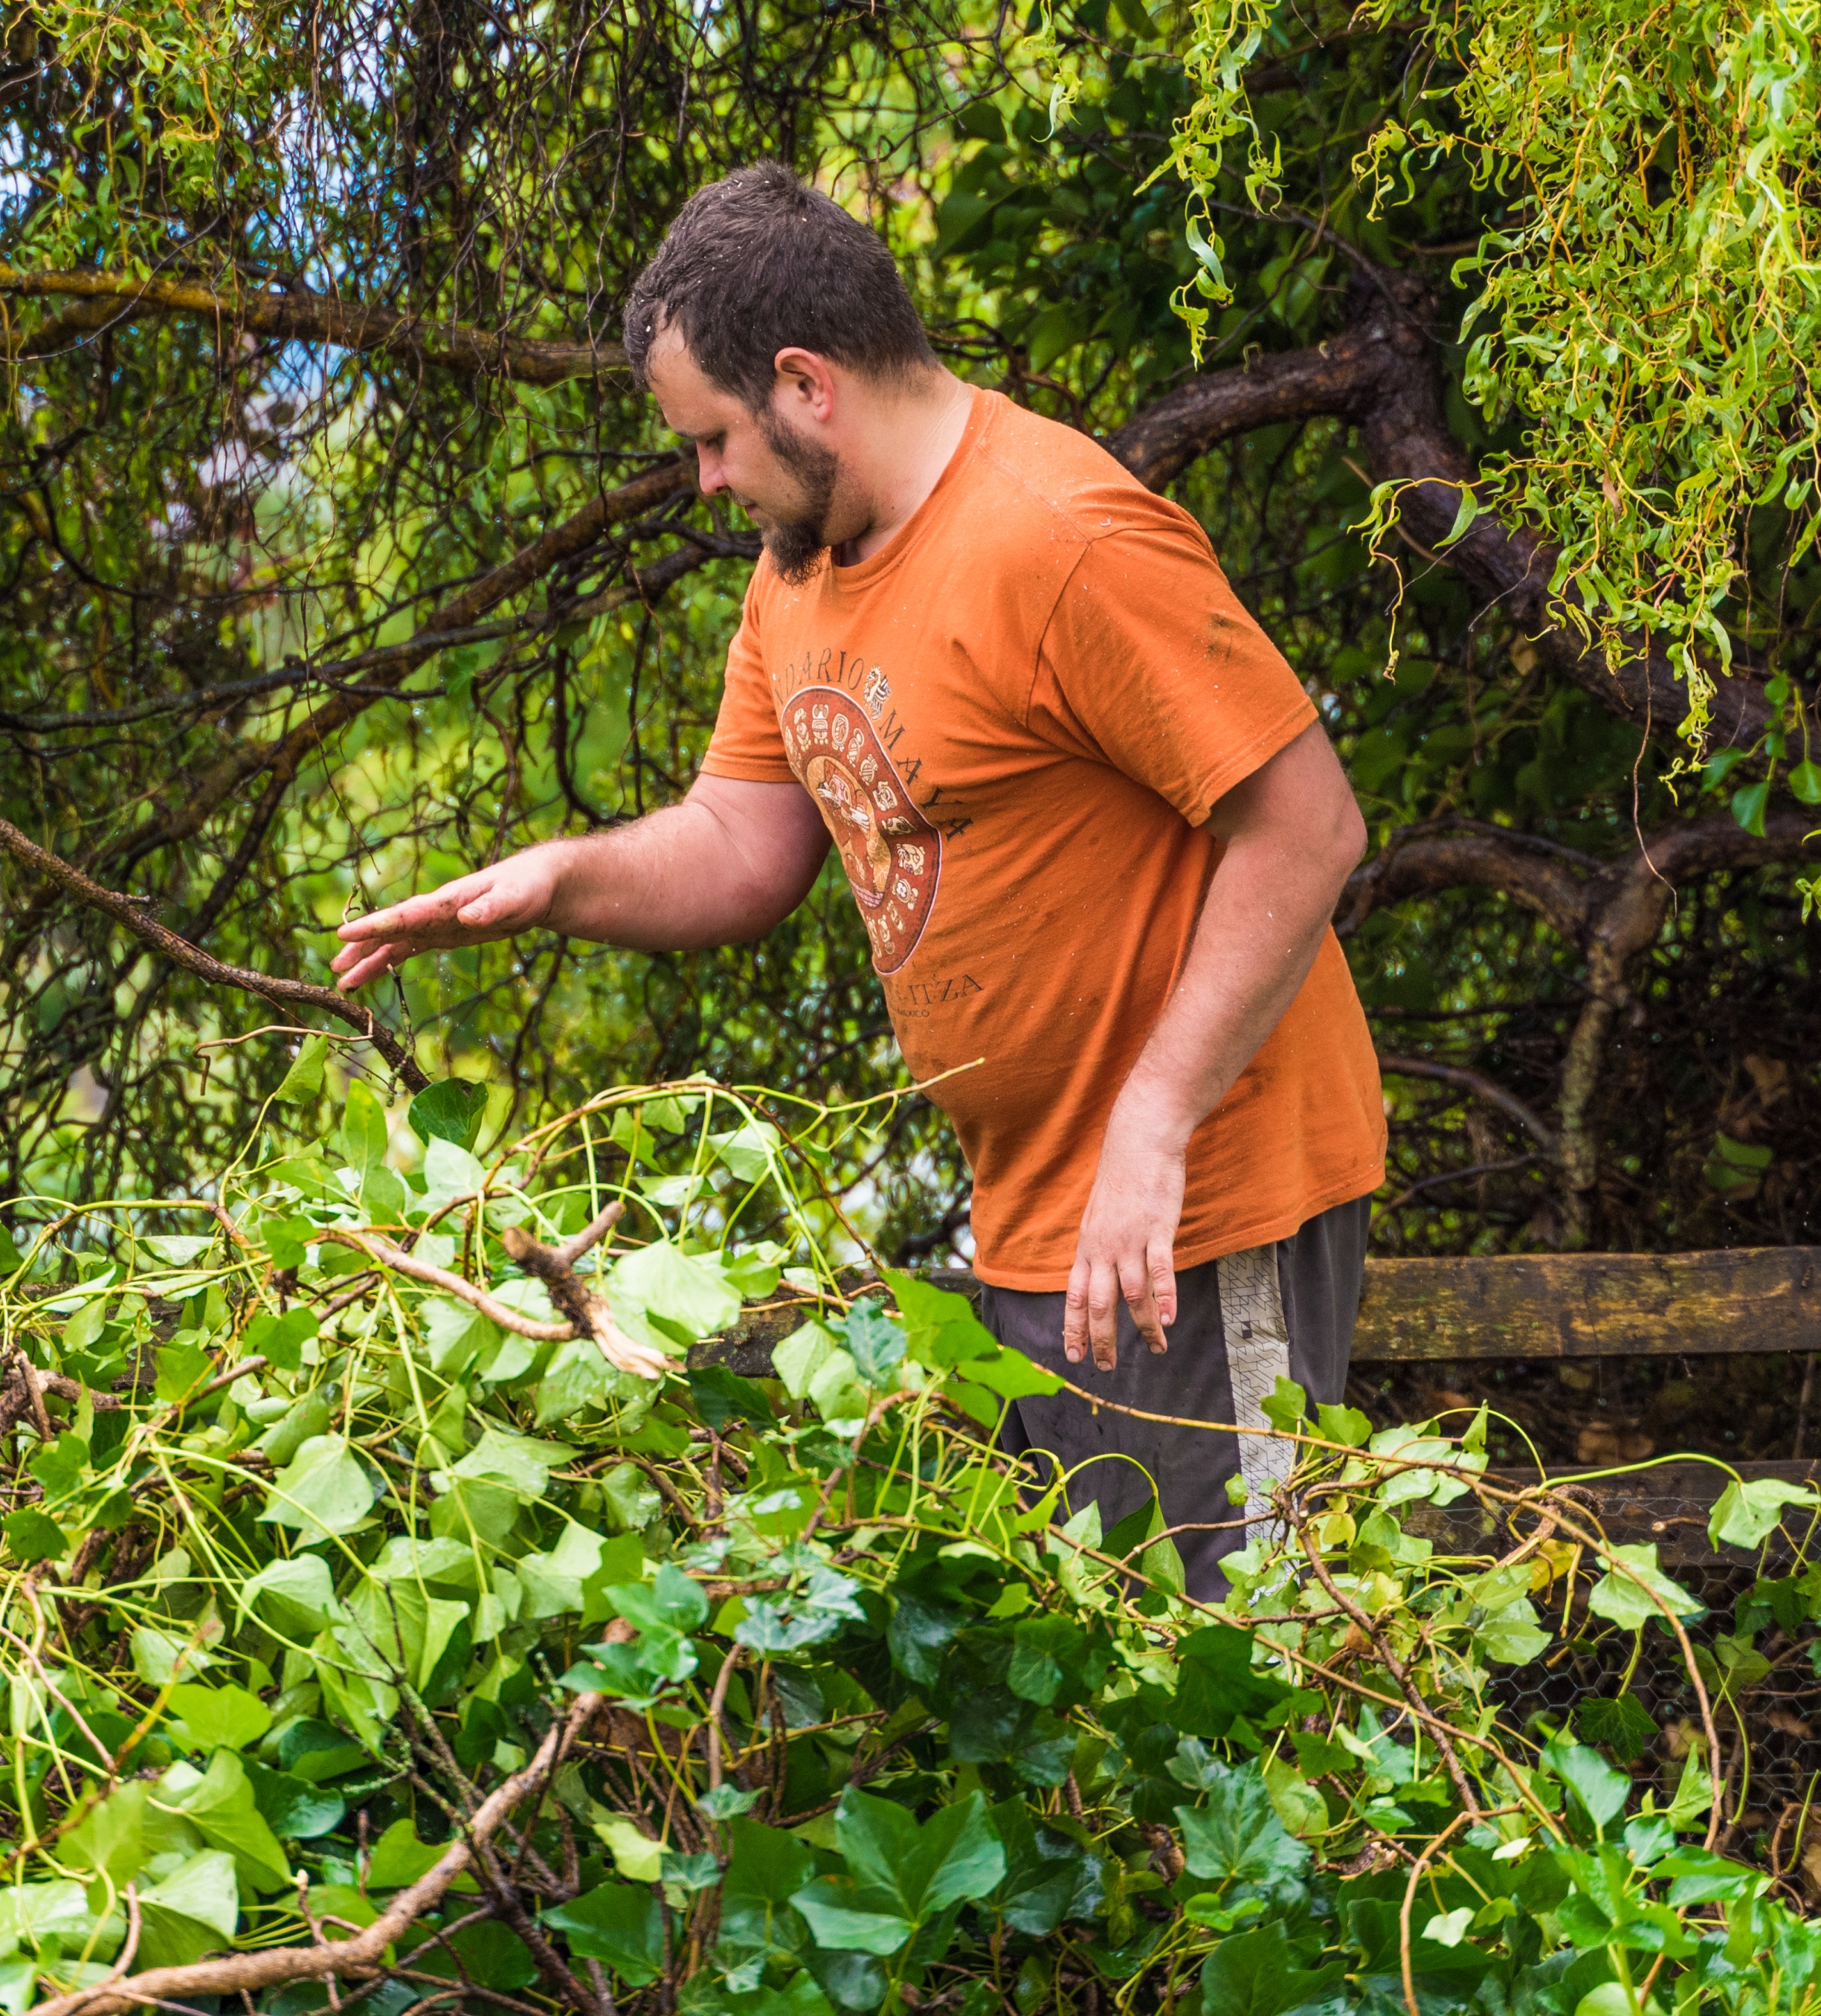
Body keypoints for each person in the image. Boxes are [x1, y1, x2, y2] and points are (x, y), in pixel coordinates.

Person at [332, 164, 1382, 1598]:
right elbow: (739, 844)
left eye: (712, 440)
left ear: (804, 385)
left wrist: (1156, 1117)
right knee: (1111, 1704)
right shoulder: (798, 580)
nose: (703, 481)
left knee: (1252, 1674)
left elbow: (1309, 828)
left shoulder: (1058, 536)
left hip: (1201, 1200)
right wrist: (556, 881)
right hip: (1037, 1223)